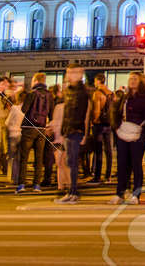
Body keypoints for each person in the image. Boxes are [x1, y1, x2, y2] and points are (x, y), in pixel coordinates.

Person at [113, 71, 145, 204]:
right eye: (130, 79)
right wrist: (116, 126)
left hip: (138, 134)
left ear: (140, 81)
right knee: (122, 164)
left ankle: (136, 194)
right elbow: (118, 112)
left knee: (136, 164)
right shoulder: (126, 96)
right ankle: (120, 192)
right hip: (122, 132)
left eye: (135, 79)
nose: (132, 81)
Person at [58, 67, 91, 204]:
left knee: (72, 162)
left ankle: (73, 191)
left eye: (72, 73)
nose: (69, 75)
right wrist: (63, 130)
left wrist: (84, 132)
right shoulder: (69, 91)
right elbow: (67, 112)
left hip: (75, 130)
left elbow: (86, 112)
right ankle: (72, 191)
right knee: (69, 161)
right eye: (68, 72)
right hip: (68, 129)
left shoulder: (82, 92)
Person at [15, 73, 52, 193]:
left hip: (29, 127)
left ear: (35, 81)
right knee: (39, 158)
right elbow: (51, 114)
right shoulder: (49, 95)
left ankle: (21, 184)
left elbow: (24, 109)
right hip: (41, 128)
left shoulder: (32, 93)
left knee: (24, 157)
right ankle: (36, 184)